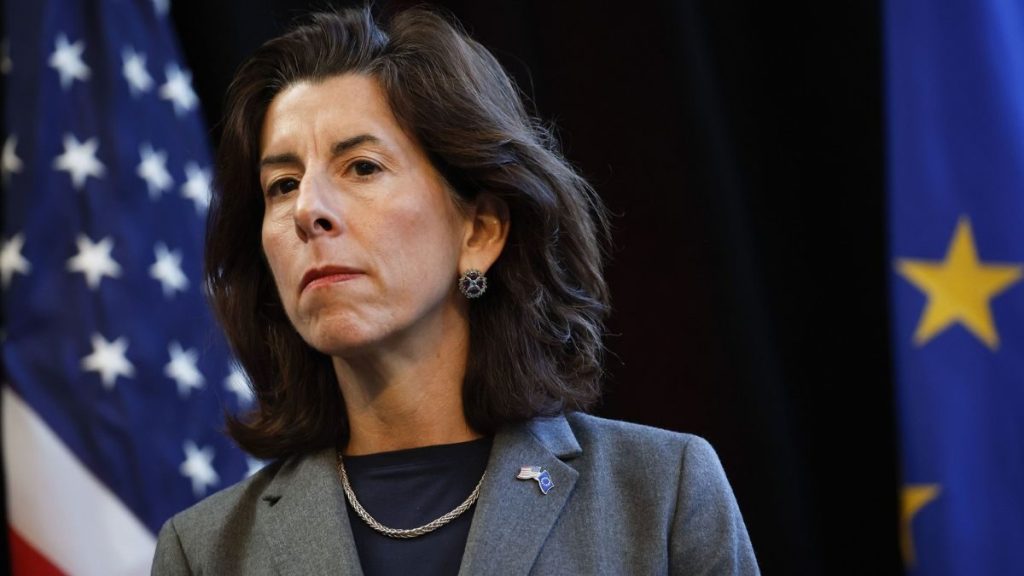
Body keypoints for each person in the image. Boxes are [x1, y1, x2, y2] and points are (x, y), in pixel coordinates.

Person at [151, 6, 759, 575]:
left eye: (362, 167)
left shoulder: (661, 493)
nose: (308, 210)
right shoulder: (205, 551)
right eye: (282, 185)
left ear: (480, 231)